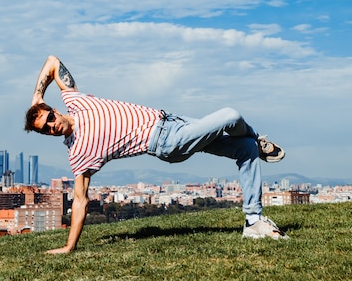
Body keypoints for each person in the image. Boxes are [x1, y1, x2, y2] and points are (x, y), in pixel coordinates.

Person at [25, 55, 288, 254]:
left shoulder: (74, 100)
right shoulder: (79, 153)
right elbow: (80, 202)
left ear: (53, 109)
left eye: (49, 119)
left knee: (245, 150)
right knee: (232, 116)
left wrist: (36, 98)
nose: (52, 127)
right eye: (45, 130)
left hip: (173, 120)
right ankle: (256, 137)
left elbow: (52, 61)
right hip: (167, 141)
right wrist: (69, 247)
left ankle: (253, 221)